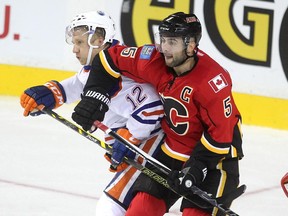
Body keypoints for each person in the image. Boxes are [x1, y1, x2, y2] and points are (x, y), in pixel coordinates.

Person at [71, 12, 244, 215]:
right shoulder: (154, 58)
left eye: (172, 41)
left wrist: (195, 170)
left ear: (191, 45)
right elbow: (108, 58)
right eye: (162, 40)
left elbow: (220, 136)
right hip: (173, 150)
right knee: (140, 211)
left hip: (216, 158)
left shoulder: (213, 81)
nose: (164, 48)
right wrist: (95, 98)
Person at [19, 10, 165, 215]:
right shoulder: (97, 66)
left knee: (110, 206)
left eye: (79, 43)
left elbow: (153, 107)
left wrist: (130, 136)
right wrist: (53, 93)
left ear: (98, 41)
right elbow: (80, 84)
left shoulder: (120, 71)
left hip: (157, 145)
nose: (74, 50)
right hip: (140, 147)